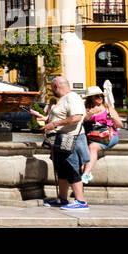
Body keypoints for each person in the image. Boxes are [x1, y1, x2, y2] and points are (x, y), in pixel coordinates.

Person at [38, 76, 88, 210]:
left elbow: (76, 117)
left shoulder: (72, 97)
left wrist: (54, 124)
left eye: (51, 87)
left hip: (70, 138)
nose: (51, 90)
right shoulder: (64, 99)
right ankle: (62, 198)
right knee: (62, 169)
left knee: (71, 167)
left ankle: (81, 202)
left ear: (56, 87)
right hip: (61, 138)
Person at [80, 89, 120, 184]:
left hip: (108, 135)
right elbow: (82, 121)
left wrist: (113, 118)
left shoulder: (107, 108)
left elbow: (120, 125)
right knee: (80, 156)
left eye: (101, 96)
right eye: (97, 96)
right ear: (91, 98)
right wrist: (91, 113)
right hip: (92, 136)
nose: (100, 98)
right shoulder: (87, 109)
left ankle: (85, 174)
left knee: (92, 147)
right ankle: (87, 173)